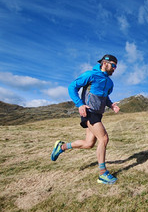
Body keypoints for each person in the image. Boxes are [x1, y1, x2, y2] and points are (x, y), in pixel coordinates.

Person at [51, 54, 120, 184]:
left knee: (89, 144)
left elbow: (105, 97)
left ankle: (62, 147)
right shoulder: (91, 75)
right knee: (104, 138)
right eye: (113, 65)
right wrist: (79, 104)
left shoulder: (110, 83)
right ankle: (102, 173)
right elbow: (72, 87)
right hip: (89, 112)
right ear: (105, 63)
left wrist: (111, 105)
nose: (115, 69)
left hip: (98, 114)